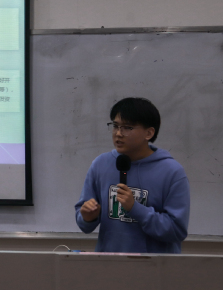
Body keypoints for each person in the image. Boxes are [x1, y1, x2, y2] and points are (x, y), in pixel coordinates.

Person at [75, 97, 190, 253]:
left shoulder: (172, 172)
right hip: (109, 262)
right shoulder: (100, 164)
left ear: (149, 133)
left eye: (127, 128)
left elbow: (176, 230)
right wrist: (88, 217)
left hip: (154, 265)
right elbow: (83, 222)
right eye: (115, 126)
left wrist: (135, 208)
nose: (118, 133)